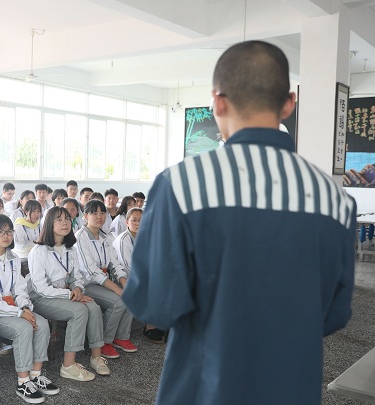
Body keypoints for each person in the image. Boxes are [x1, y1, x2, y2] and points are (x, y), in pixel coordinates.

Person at [122, 41, 357, 405]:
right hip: (293, 387)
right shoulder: (335, 198)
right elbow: (334, 315)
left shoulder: (181, 186)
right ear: (289, 103)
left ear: (217, 101)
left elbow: (155, 304)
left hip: (203, 389)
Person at [0, 214, 57, 403]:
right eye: (0, 231)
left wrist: (25, 306)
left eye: (9, 231)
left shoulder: (13, 258)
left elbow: (20, 288)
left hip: (13, 310)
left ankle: (36, 374)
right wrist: (19, 313)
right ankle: (23, 381)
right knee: (24, 328)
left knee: (40, 323)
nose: (6, 236)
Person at [29, 206, 109, 381]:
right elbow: (40, 288)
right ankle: (68, 365)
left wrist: (78, 289)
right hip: (41, 298)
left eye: (67, 219)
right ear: (49, 224)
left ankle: (96, 357)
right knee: (79, 311)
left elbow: (76, 277)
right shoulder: (39, 251)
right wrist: (71, 295)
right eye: (58, 219)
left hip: (67, 294)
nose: (65, 223)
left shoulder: (70, 249)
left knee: (93, 307)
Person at [75, 199, 136, 360]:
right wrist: (117, 289)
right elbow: (91, 271)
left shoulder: (106, 236)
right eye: (94, 213)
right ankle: (104, 343)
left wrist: (124, 284)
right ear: (85, 216)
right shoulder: (80, 237)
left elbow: (114, 263)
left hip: (103, 282)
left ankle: (121, 337)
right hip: (86, 284)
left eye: (102, 213)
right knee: (118, 301)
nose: (99, 216)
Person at [113, 208, 164, 344]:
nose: (138, 223)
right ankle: (150, 326)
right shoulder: (123, 239)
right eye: (134, 220)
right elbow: (127, 266)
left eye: (141, 220)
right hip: (123, 278)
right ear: (126, 222)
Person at [13, 200, 42, 277]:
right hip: (23, 258)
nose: (36, 214)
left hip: (36, 256)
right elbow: (19, 244)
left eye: (38, 211)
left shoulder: (39, 225)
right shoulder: (19, 226)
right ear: (26, 212)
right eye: (33, 211)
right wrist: (35, 243)